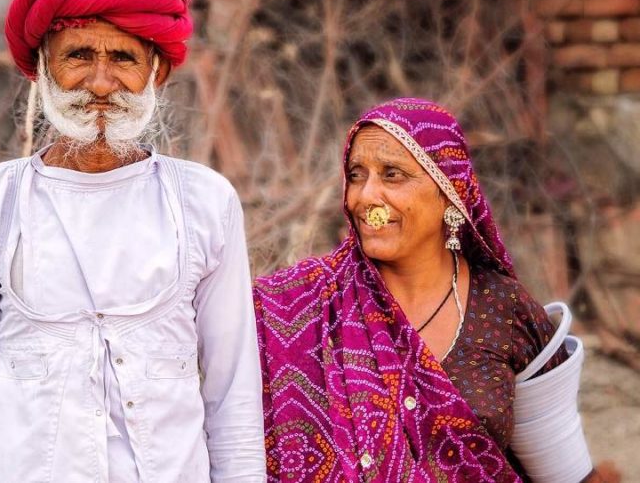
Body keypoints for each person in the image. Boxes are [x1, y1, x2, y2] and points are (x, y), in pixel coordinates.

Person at [0, 0, 265, 482]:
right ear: (42, 67)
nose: (101, 82)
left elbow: (234, 398)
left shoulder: (207, 201)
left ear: (156, 71)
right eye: (79, 55)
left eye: (124, 58)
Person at [254, 98, 593, 481]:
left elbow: (564, 470)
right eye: (355, 175)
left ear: (449, 192)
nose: (365, 198)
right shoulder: (295, 306)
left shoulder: (503, 308)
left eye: (392, 174)